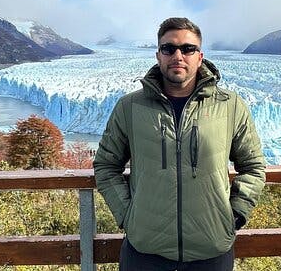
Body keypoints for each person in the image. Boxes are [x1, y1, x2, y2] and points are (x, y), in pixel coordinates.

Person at [94, 17, 266, 270]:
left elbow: (253, 166)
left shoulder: (229, 105)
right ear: (158, 55)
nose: (178, 55)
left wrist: (234, 216)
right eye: (168, 48)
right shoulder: (130, 107)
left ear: (200, 56)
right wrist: (128, 216)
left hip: (211, 250)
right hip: (144, 251)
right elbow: (107, 166)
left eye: (187, 49)